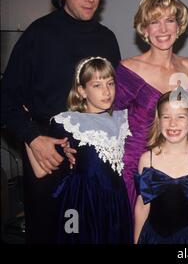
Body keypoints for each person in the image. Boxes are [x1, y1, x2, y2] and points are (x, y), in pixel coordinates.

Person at [0, 0, 121, 243]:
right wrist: (33, 138)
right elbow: (6, 98)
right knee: (51, 232)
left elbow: (117, 101)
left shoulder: (108, 38)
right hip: (48, 155)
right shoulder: (38, 35)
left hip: (95, 160)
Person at [29, 57, 133, 243]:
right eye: (97, 85)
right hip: (81, 204)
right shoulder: (68, 123)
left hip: (116, 202)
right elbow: (39, 170)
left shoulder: (123, 119)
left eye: (110, 83)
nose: (106, 91)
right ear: (82, 90)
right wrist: (28, 133)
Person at [113, 0, 188, 211]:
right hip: (138, 170)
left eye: (170, 20)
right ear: (144, 29)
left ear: (179, 26)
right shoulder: (127, 70)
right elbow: (104, 119)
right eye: (154, 22)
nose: (163, 29)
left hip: (181, 169)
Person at [134, 90, 188, 244]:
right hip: (154, 238)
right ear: (158, 120)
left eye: (180, 116)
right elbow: (142, 205)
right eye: (166, 117)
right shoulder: (147, 160)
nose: (173, 123)